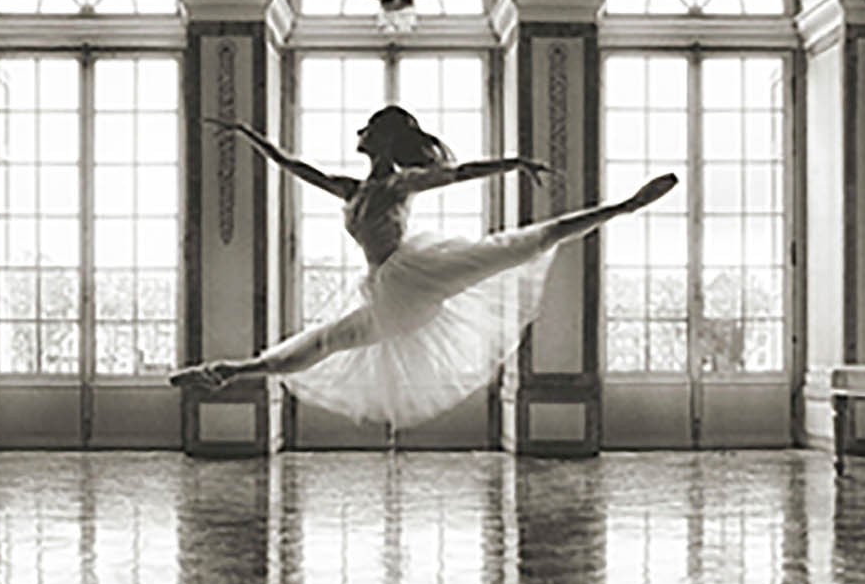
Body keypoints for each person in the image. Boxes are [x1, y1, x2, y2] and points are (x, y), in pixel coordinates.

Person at [170, 106, 678, 428]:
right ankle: (227, 372)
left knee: (514, 246)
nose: (358, 131)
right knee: (321, 342)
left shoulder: (398, 185)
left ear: (385, 140)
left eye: (368, 128)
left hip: (412, 279)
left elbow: (459, 174)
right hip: (385, 292)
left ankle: (623, 207)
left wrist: (514, 164)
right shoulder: (354, 188)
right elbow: (298, 169)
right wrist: (251, 136)